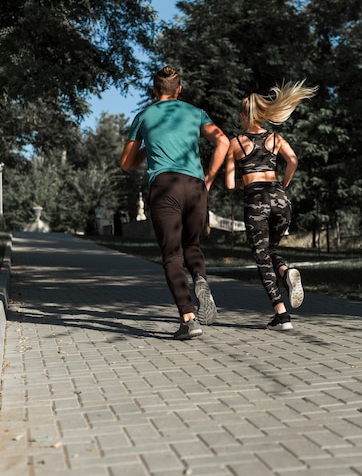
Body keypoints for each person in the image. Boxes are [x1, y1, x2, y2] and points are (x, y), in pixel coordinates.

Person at [120, 66, 230, 340]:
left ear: (153, 91)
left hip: (165, 186)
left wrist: (149, 142)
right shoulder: (195, 112)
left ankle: (189, 319)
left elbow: (125, 164)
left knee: (172, 255)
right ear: (179, 90)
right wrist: (209, 178)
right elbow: (223, 142)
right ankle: (201, 279)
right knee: (192, 245)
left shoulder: (144, 116)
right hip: (195, 186)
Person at [225, 80, 318, 331]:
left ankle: (281, 314)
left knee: (261, 257)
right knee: (270, 250)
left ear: (244, 115)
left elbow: (230, 184)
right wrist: (283, 184)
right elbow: (293, 160)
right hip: (280, 199)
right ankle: (286, 271)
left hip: (256, 201)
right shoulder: (276, 139)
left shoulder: (236, 143)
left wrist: (243, 183)